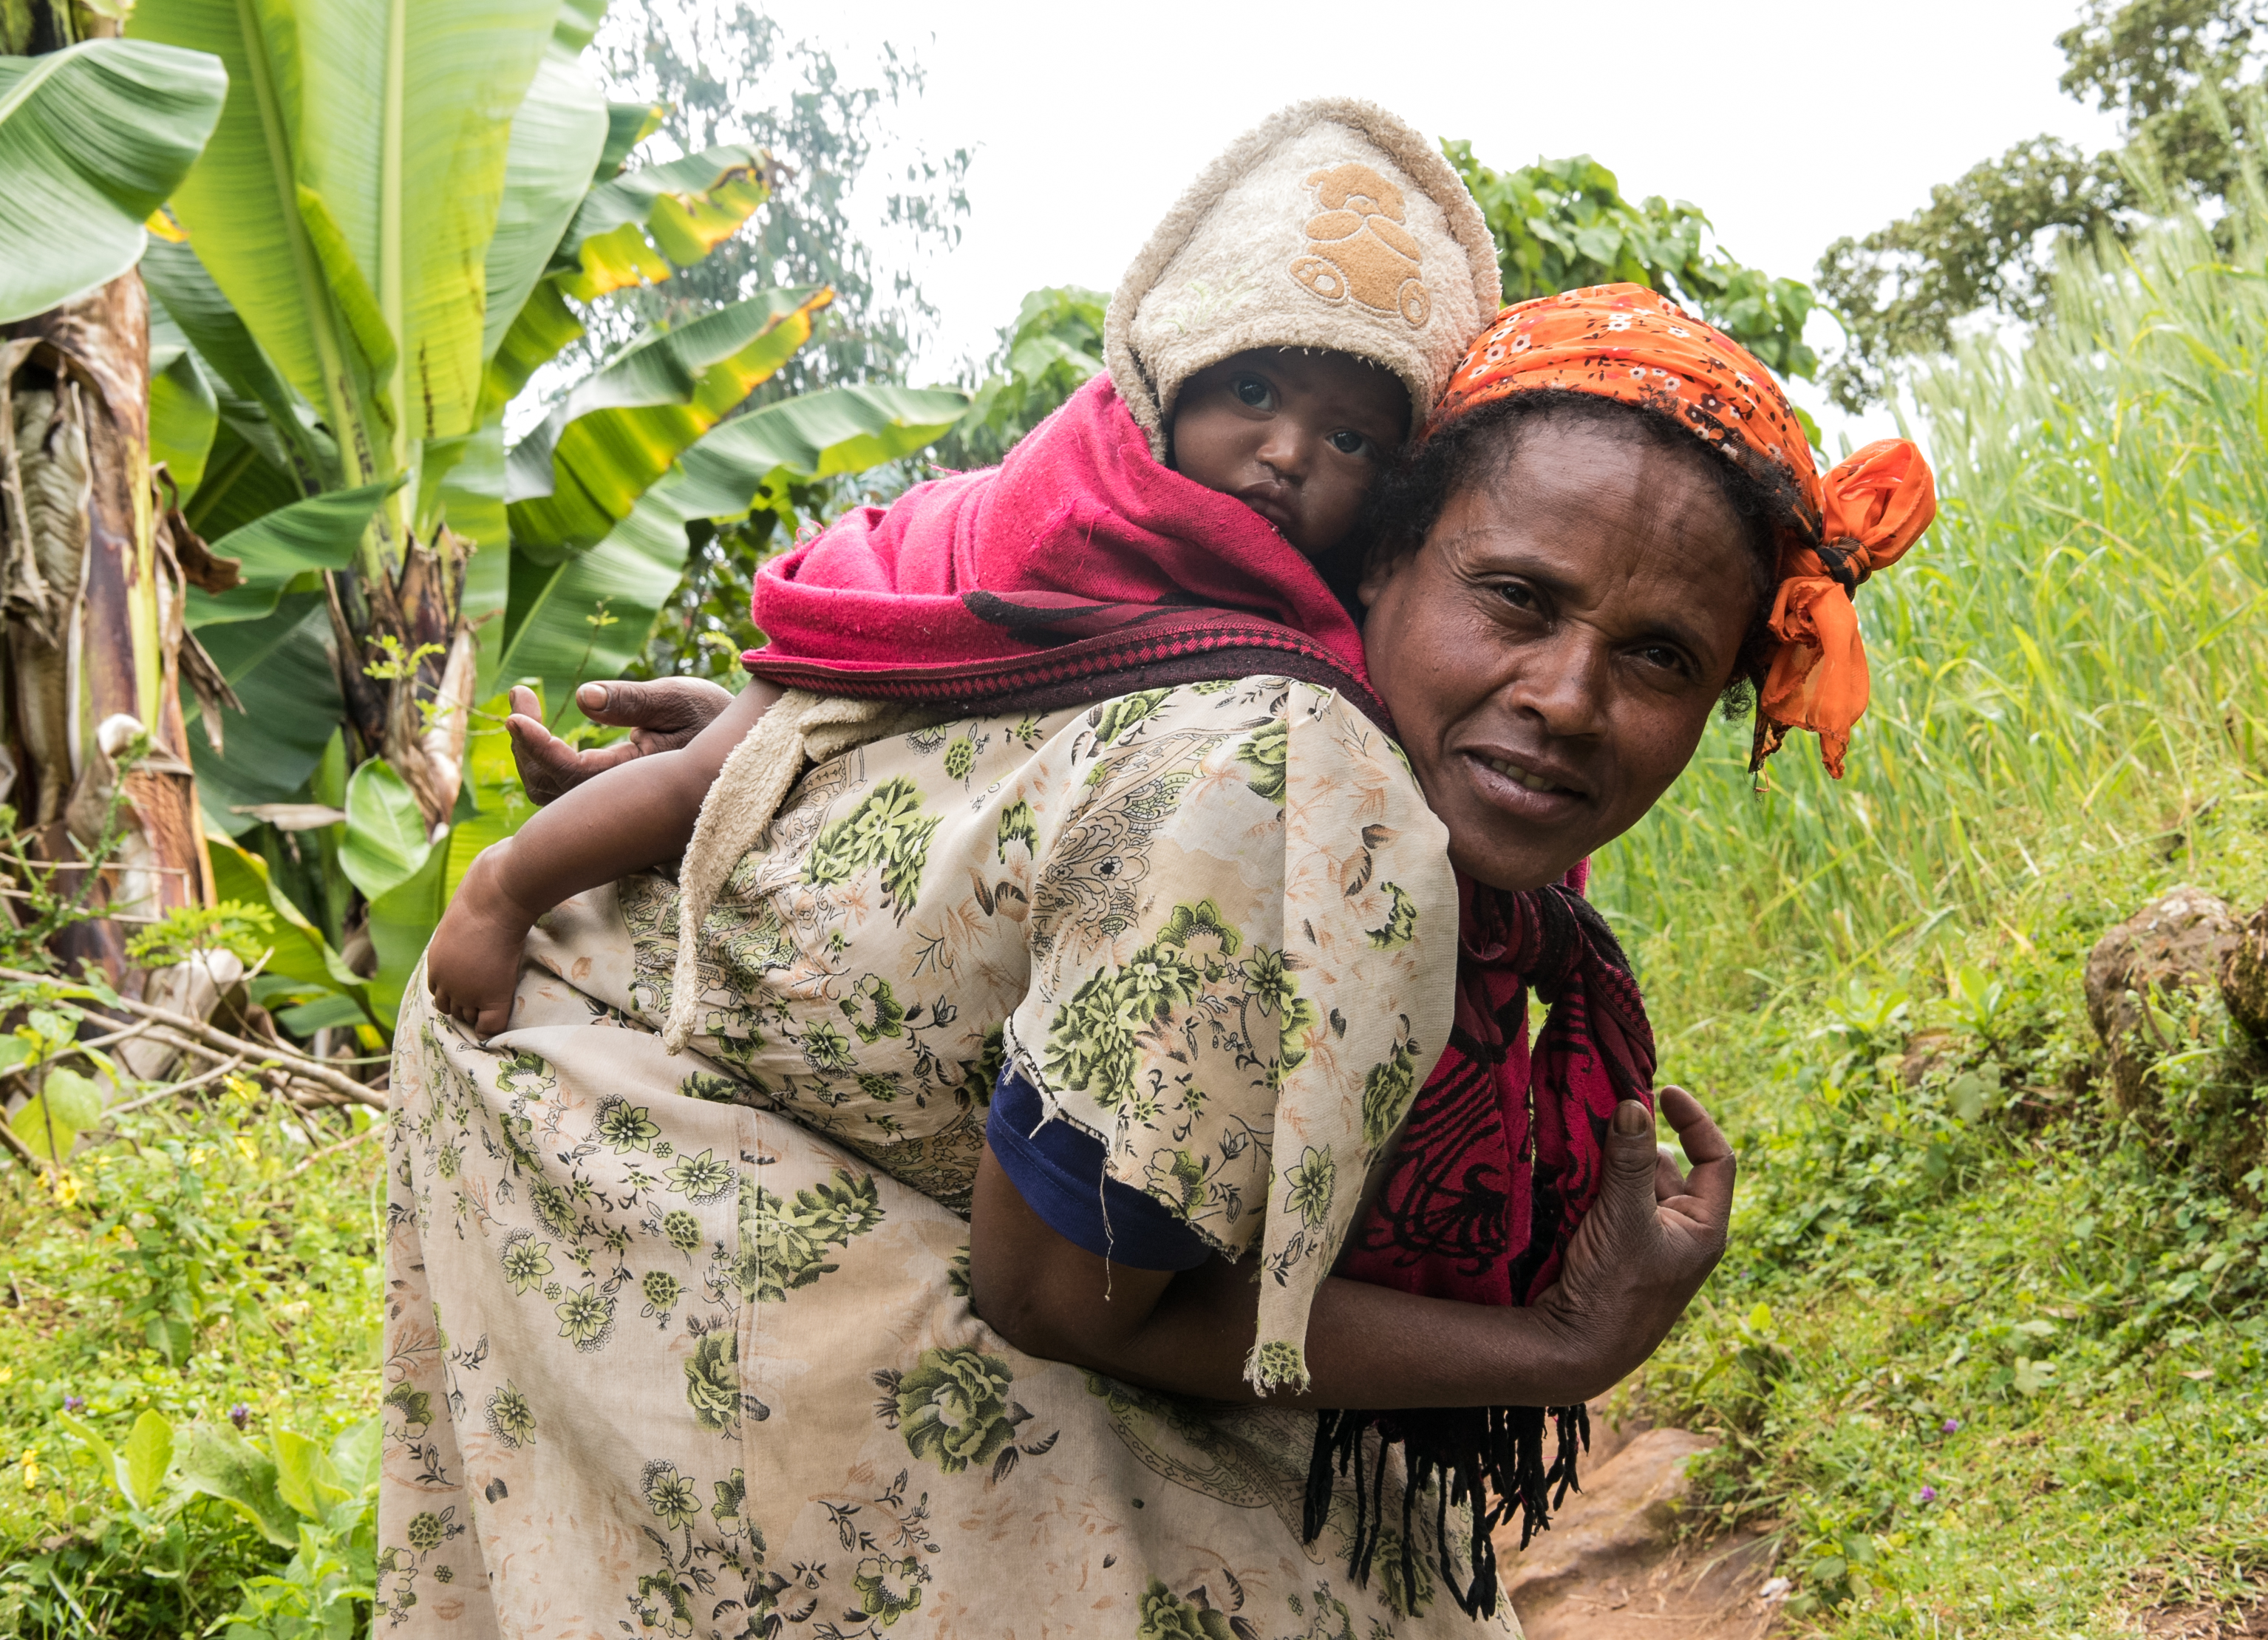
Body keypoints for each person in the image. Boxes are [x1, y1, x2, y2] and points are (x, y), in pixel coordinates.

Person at [381, 287, 1932, 1634]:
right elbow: (1065, 1300)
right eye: (1514, 600)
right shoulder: (1271, 782)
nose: (1572, 697)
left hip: (867, 1134)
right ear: (1374, 569)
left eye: (1661, 658)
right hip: (627, 1084)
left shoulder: (1400, 810)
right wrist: (1556, 1346)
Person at [425, 98, 1504, 1035]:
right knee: (713, 775)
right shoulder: (1094, 488)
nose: (1287, 454)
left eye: (1350, 440)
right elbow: (1018, 625)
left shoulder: (1310, 597)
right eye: (1255, 395)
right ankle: (503, 885)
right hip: (899, 594)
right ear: (1174, 370)